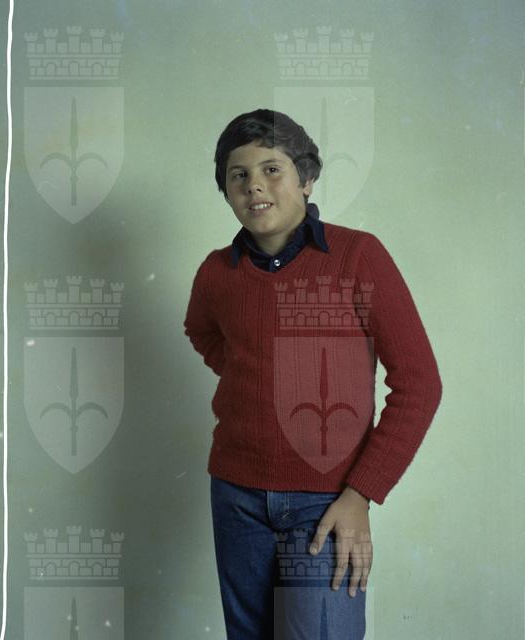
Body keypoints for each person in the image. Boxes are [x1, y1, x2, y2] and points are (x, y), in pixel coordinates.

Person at [183, 108, 442, 639]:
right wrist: (259, 377)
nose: (254, 185)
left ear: (306, 178)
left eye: (271, 169)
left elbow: (419, 384)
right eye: (238, 175)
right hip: (235, 497)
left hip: (327, 501)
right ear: (226, 191)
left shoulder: (358, 257)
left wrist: (361, 493)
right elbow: (201, 331)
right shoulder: (216, 272)